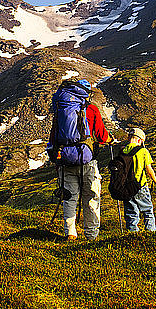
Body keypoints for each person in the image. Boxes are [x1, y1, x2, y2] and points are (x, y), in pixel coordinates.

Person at [51, 78, 112, 241]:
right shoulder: (91, 109)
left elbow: (55, 134)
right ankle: (91, 235)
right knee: (91, 197)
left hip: (65, 159)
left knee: (69, 198)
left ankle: (70, 233)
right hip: (87, 161)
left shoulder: (61, 108)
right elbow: (101, 135)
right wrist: (110, 140)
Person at [122, 127, 156, 233]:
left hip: (126, 187)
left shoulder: (123, 151)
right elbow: (149, 169)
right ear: (140, 140)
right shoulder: (143, 151)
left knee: (131, 212)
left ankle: (133, 235)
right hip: (140, 186)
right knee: (147, 210)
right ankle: (151, 233)